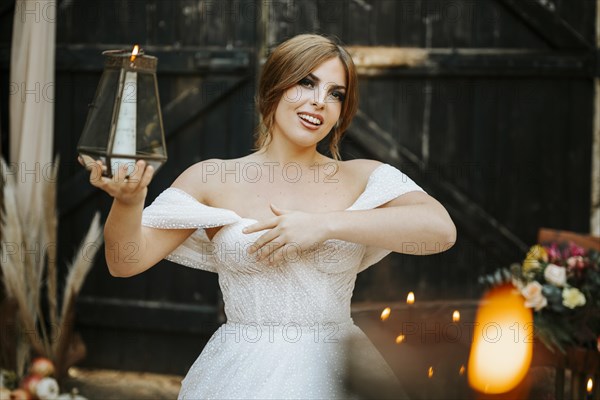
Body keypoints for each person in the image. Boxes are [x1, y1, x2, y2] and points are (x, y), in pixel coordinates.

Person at [82, 34, 456, 399]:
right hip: (239, 373)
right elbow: (124, 262)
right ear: (274, 87)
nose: (319, 102)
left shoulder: (363, 176)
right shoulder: (212, 177)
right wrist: (129, 203)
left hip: (341, 370)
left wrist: (323, 225)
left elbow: (440, 231)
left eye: (335, 94)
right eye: (306, 83)